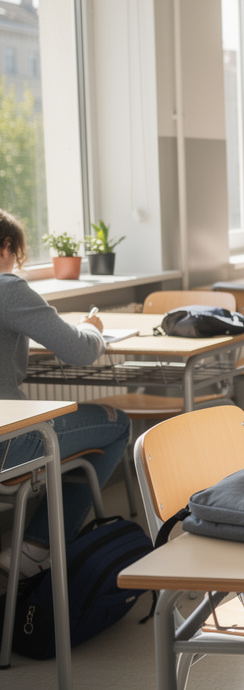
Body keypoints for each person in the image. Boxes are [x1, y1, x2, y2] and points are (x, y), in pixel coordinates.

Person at [0, 209, 131, 580]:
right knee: (117, 422)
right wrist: (92, 329)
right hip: (8, 443)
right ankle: (38, 548)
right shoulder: (7, 288)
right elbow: (80, 351)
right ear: (7, 245)